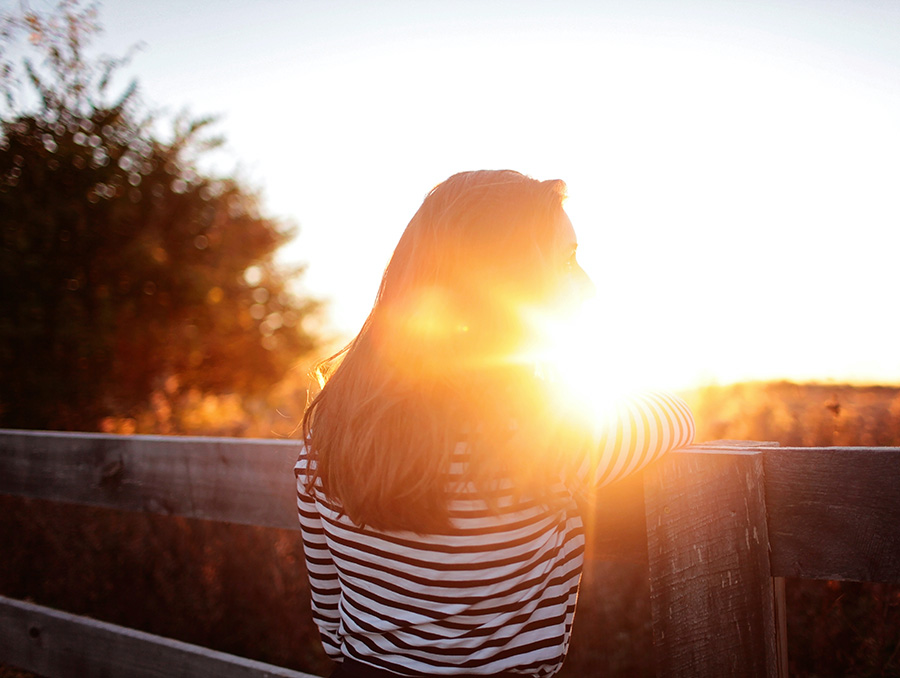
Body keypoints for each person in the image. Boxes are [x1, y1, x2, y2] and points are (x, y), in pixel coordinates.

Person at [295, 170, 694, 678]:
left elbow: (330, 616)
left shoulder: (330, 424)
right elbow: (677, 416)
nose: (589, 287)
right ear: (506, 280)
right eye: (568, 259)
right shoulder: (541, 431)